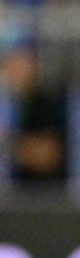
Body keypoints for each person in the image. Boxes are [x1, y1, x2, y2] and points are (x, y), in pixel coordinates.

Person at [0, 31, 68, 188]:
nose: (12, 69)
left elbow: (49, 156)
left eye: (19, 62)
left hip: (48, 200)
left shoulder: (47, 101)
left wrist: (7, 145)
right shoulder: (19, 104)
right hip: (25, 199)